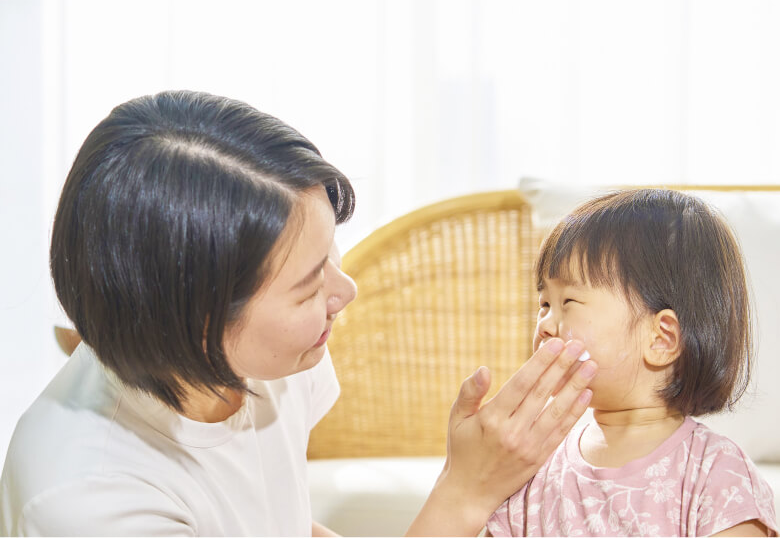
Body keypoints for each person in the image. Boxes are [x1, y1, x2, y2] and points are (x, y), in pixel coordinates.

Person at [0, 90, 597, 536]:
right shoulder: (86, 501)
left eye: (330, 252)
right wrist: (466, 492)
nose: (346, 291)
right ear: (198, 319)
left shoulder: (272, 358)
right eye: (308, 286)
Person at [486, 189, 778, 537]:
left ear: (660, 339)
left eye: (568, 301)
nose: (545, 324)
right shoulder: (535, 468)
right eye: (544, 303)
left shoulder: (716, 475)